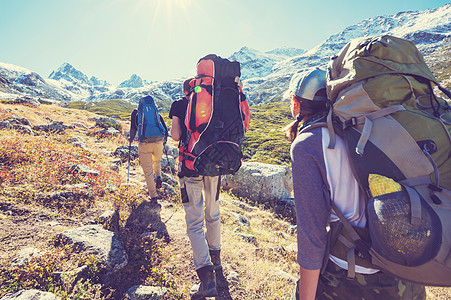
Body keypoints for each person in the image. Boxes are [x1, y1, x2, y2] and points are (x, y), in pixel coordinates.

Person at [285, 68, 426, 300]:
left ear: (296, 103)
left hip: (352, 277)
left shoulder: (308, 145)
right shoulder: (368, 129)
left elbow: (312, 234)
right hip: (404, 268)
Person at [169, 78, 221, 298]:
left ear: (185, 90)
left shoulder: (179, 104)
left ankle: (207, 278)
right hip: (215, 166)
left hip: (190, 166)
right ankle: (216, 258)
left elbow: (176, 135)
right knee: (213, 212)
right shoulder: (215, 103)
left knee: (194, 221)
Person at [129, 96, 168, 201]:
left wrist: (130, 140)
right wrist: (165, 141)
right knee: (157, 161)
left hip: (144, 143)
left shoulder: (136, 113)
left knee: (148, 171)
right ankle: (158, 176)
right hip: (158, 142)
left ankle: (153, 195)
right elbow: (164, 128)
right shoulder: (156, 113)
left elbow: (133, 129)